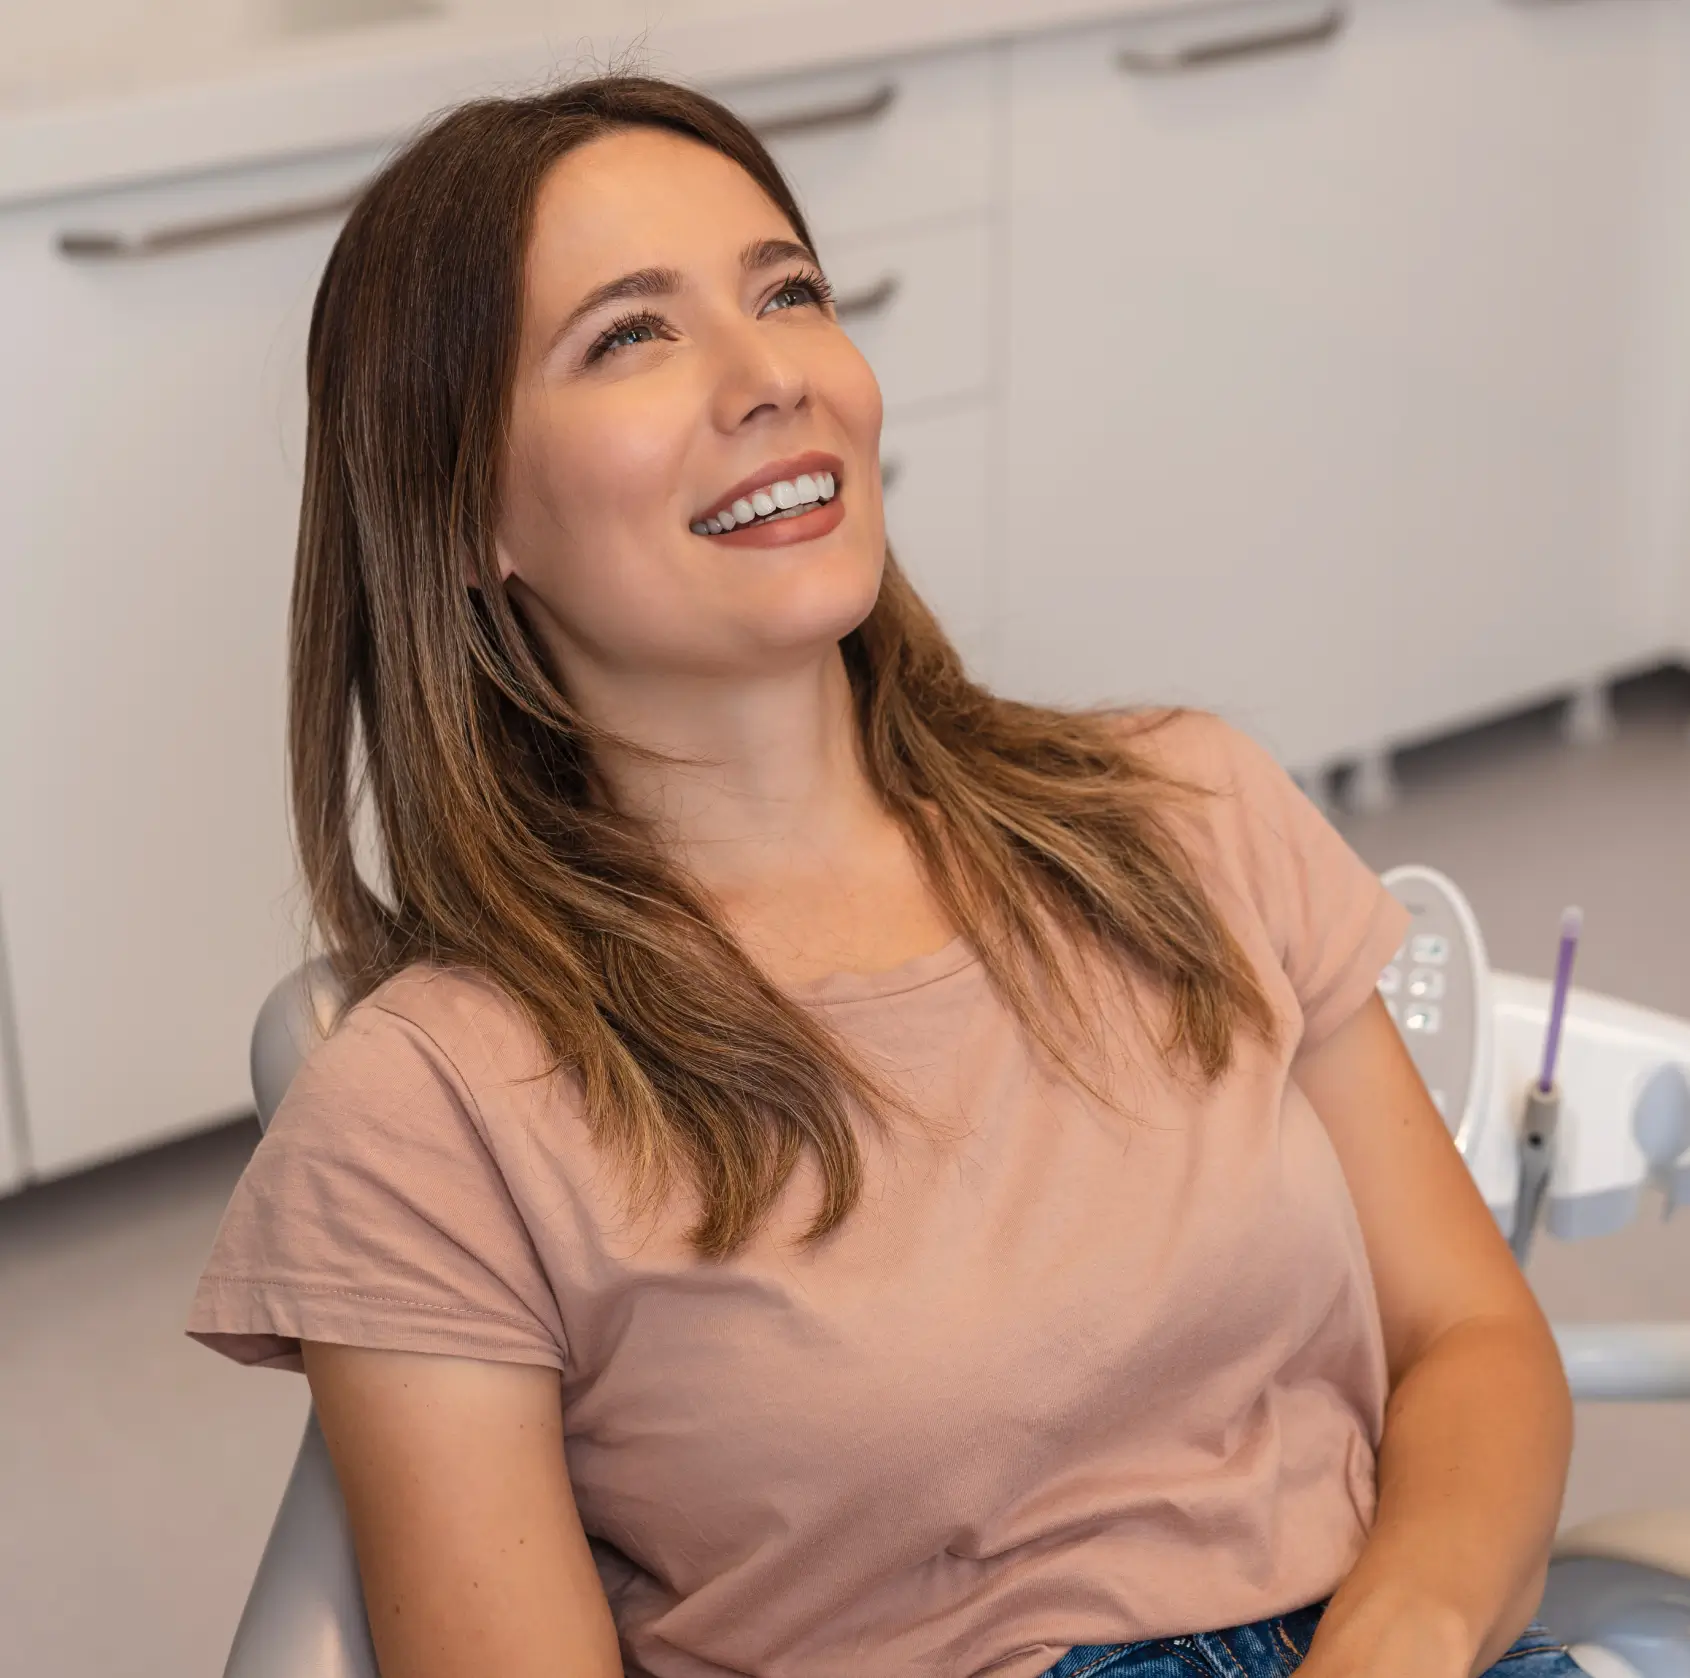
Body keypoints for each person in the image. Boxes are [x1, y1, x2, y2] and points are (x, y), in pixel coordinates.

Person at [187, 74, 1579, 1678]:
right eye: (629, 335)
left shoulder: (1186, 812)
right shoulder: (430, 1111)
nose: (769, 372)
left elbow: (1470, 1342)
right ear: (460, 512)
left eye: (788, 291)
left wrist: (1397, 1634)